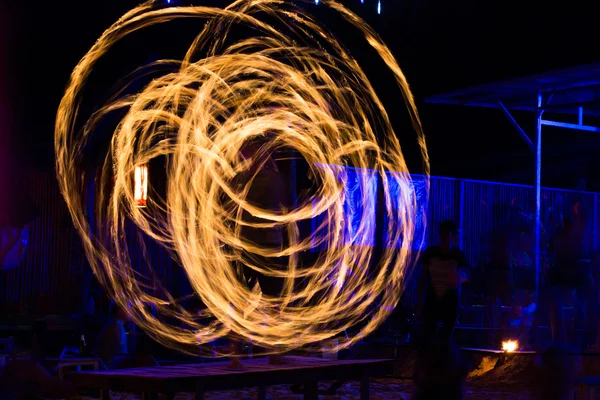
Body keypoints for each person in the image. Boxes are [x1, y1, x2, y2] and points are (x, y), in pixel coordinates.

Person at [418, 220, 468, 346]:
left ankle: (439, 361)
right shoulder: (431, 253)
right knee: (428, 336)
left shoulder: (457, 255)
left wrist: (457, 278)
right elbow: (423, 277)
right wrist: (419, 300)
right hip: (433, 301)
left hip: (449, 302)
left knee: (444, 338)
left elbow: (465, 276)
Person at [93, 301, 131, 369]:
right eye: (129, 308)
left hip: (107, 369)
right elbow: (122, 357)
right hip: (109, 371)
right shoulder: (116, 327)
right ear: (120, 311)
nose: (132, 312)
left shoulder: (115, 324)